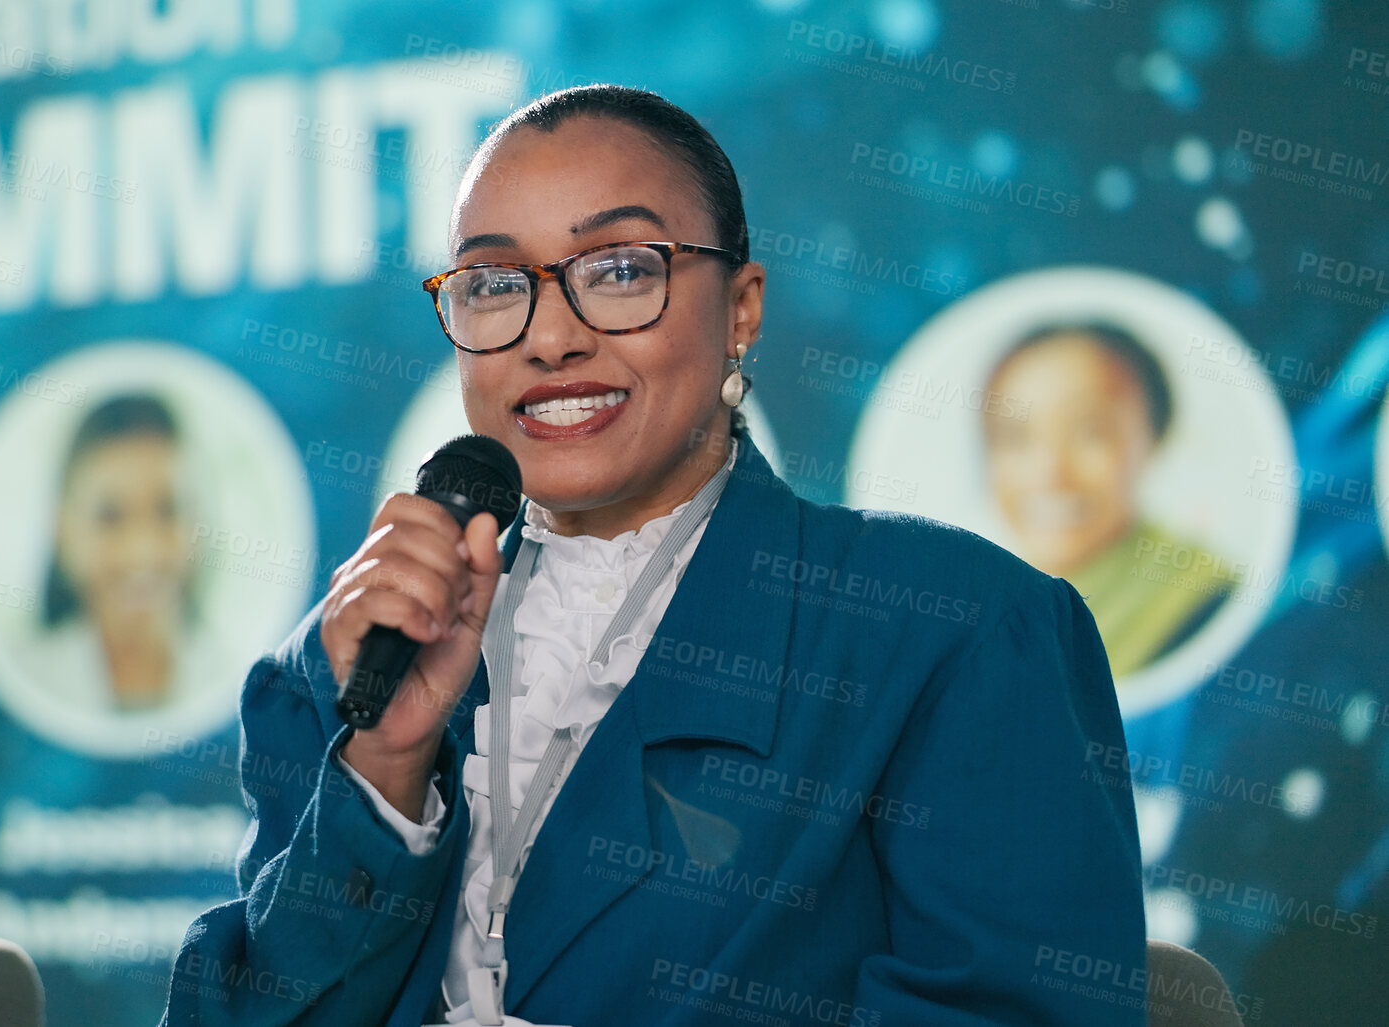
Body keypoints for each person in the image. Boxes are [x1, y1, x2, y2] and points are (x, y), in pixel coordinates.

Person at [162, 85, 1146, 1026]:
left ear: (743, 311)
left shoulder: (955, 628)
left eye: (622, 269)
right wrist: (382, 765)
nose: (550, 337)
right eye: (496, 284)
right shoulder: (337, 665)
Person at [981, 322, 1236, 679]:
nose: (1048, 473)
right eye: (1014, 437)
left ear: (1151, 439)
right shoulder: (982, 613)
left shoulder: (1205, 608)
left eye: (1089, 432)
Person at [32, 393, 198, 713]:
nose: (142, 550)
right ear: (62, 531)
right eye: (109, 516)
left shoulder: (241, 679)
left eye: (167, 510)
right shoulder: (29, 682)